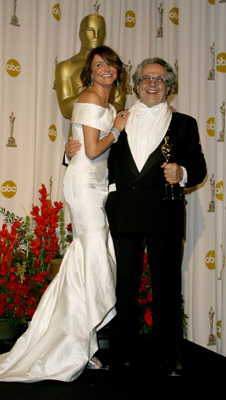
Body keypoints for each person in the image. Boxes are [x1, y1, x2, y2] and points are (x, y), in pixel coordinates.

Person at [0, 45, 129, 382]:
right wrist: (115, 130)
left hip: (98, 185)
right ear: (90, 72)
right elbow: (91, 149)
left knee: (83, 262)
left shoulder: (113, 105)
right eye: (99, 64)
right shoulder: (88, 98)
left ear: (118, 70)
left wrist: (110, 131)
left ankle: (78, 342)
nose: (106, 69)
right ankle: (76, 343)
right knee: (94, 256)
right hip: (84, 186)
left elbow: (94, 150)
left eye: (111, 64)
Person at [67, 57, 207, 376]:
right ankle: (122, 352)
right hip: (124, 211)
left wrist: (181, 172)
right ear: (136, 85)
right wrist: (69, 150)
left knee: (167, 286)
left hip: (164, 212)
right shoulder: (119, 118)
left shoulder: (184, 123)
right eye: (146, 79)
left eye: (159, 80)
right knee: (123, 287)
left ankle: (167, 355)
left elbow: (198, 167)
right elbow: (93, 151)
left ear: (169, 86)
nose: (153, 84)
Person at [55, 14, 126, 136]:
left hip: (109, 138)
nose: (96, 36)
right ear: (81, 33)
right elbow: (66, 110)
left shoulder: (113, 69)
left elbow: (120, 108)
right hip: (79, 141)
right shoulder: (66, 67)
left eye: (100, 31)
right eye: (90, 30)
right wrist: (96, 92)